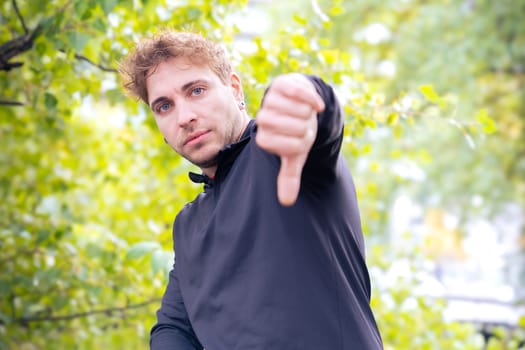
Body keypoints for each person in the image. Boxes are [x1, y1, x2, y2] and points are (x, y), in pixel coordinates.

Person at [119, 30, 383, 350]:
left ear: (234, 88)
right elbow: (174, 326)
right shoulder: (190, 225)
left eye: (197, 90)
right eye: (164, 106)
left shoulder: (279, 155)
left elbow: (319, 126)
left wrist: (307, 98)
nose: (185, 116)